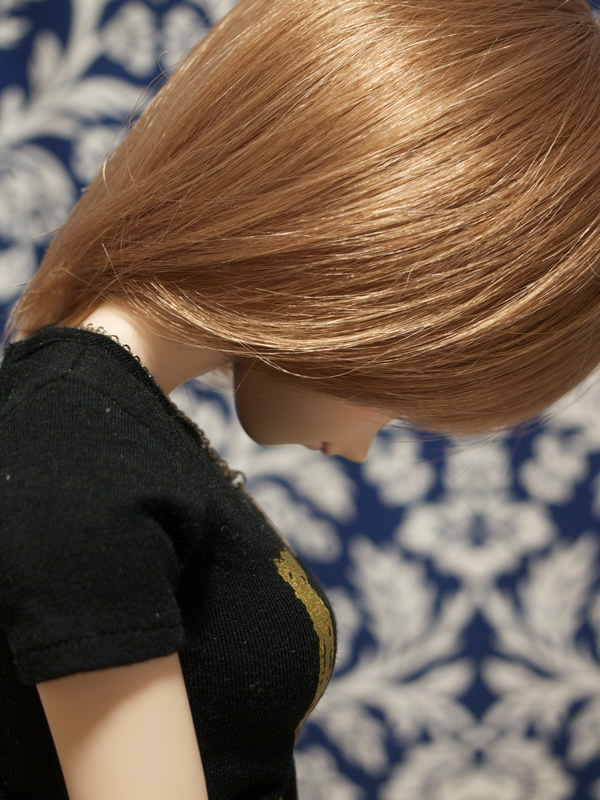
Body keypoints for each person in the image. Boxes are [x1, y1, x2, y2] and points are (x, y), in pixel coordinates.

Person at [1, 0, 600, 797]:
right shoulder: (74, 444)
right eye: (400, 388)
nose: (362, 445)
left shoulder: (113, 428)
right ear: (366, 259)